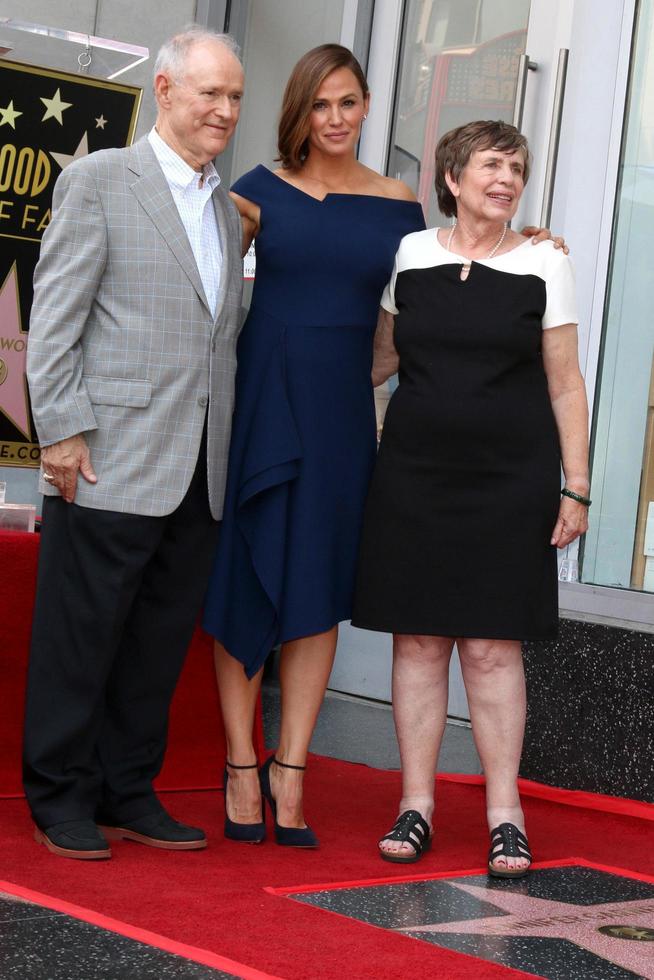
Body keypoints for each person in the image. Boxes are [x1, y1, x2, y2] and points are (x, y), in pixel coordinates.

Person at [202, 47, 560, 847]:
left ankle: (289, 769)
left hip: (341, 407)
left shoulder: (399, 205)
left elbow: (440, 273)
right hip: (267, 393)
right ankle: (238, 764)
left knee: (319, 583)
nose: (336, 118)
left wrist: (524, 238)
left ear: (367, 108)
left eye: (349, 103)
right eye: (321, 103)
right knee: (247, 573)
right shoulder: (253, 192)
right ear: (300, 110)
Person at [23, 27, 245, 860]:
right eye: (209, 94)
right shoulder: (99, 180)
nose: (224, 110)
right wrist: (64, 434)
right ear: (164, 90)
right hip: (106, 455)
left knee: (154, 645)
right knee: (81, 637)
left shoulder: (226, 210)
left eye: (234, 97)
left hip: (198, 467)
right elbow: (56, 321)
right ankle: (59, 795)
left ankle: (126, 788)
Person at [352, 120, 590, 876]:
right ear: (452, 178)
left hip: (510, 480)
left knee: (492, 647)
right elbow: (378, 361)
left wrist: (576, 485)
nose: (507, 179)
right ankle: (414, 805)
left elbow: (564, 381)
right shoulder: (411, 255)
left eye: (517, 168)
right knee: (418, 640)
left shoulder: (546, 262)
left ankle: (503, 814)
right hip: (414, 476)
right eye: (492, 165)